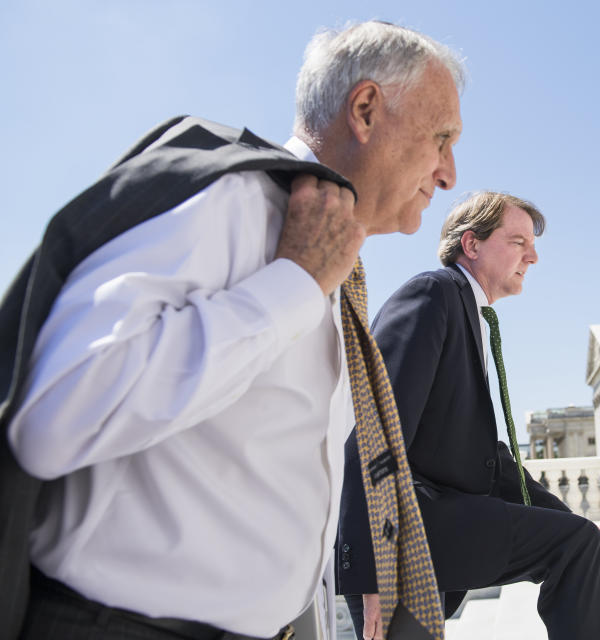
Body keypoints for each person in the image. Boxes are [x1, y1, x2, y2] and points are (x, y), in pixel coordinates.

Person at [1, 21, 463, 640]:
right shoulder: (235, 203)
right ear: (365, 110)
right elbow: (54, 417)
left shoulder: (340, 263)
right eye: (441, 138)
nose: (450, 172)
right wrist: (292, 284)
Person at [336, 191, 600, 640]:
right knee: (574, 548)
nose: (532, 256)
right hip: (409, 532)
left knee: (576, 539)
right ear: (471, 245)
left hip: (437, 528)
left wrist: (574, 519)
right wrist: (373, 569)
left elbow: (486, 459)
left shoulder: (469, 312)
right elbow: (375, 431)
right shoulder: (433, 294)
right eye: (517, 242)